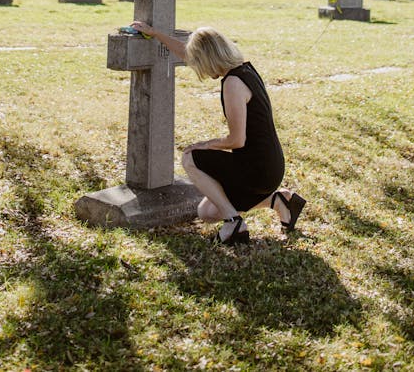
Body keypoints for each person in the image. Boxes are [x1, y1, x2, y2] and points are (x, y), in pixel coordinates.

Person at [131, 22, 306, 244]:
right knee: (207, 212)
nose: (199, 69)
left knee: (189, 157)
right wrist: (155, 34)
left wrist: (204, 144)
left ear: (210, 58)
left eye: (200, 63)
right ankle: (279, 200)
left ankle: (234, 223)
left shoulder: (232, 83)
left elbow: (237, 140)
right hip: (271, 167)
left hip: (258, 169)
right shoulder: (246, 69)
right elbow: (186, 53)